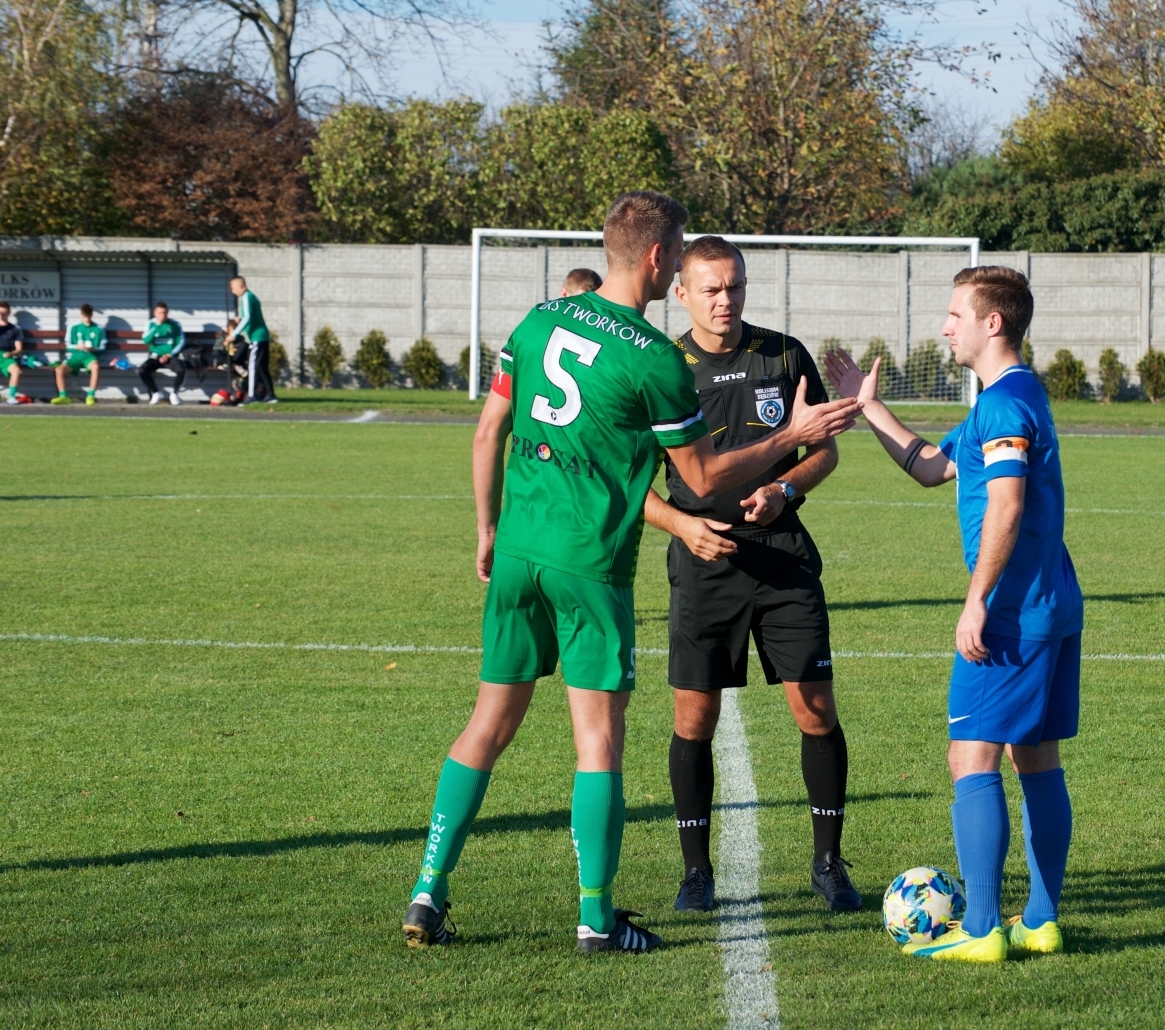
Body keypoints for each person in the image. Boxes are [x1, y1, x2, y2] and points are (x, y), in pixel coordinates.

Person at [399, 191, 860, 954]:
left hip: (517, 548)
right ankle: (595, 916)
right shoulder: (652, 357)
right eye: (679, 258)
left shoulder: (539, 318)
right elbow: (706, 476)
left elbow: (489, 430)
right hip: (589, 565)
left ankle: (427, 890)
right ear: (656, 261)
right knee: (598, 742)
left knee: (486, 725)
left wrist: (486, 528)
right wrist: (798, 434)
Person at [823, 265, 1083, 964]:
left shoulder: (1003, 406)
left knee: (970, 757)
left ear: (991, 322)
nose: (945, 326)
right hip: (1052, 604)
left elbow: (1005, 503)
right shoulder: (1012, 396)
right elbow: (933, 468)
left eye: (954, 314)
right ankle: (1040, 920)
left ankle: (981, 930)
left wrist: (975, 602)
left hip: (1011, 613)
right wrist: (866, 407)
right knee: (1036, 759)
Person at [641, 236, 858, 915]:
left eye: (734, 286)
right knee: (693, 719)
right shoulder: (656, 367)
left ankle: (827, 863)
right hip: (702, 564)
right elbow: (622, 483)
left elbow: (822, 453)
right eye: (709, 288)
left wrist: (784, 491)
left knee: (814, 709)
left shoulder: (783, 354)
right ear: (680, 293)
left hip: (783, 556)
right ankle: (696, 873)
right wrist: (682, 525)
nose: (724, 299)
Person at [228, 276, 276, 404]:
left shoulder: (246, 297)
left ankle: (252, 395)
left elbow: (247, 317)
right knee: (262, 367)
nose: (232, 291)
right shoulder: (252, 297)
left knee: (253, 366)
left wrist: (235, 333)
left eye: (233, 288)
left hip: (257, 337)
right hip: (262, 335)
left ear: (241, 286)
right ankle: (270, 394)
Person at [51, 303, 105, 405]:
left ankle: (90, 396)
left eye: (89, 316)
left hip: (90, 357)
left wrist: (92, 348)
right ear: (81, 315)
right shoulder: (73, 327)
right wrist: (77, 346)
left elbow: (103, 347)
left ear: (92, 315)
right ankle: (63, 396)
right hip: (76, 356)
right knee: (59, 369)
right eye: (85, 316)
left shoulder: (99, 329)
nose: (87, 318)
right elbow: (68, 345)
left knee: (96, 367)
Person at [138, 303, 186, 405]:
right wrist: (156, 327)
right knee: (142, 370)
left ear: (167, 313)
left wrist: (169, 354)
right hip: (155, 356)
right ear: (155, 313)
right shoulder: (150, 324)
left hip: (170, 356)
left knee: (181, 370)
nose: (162, 315)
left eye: (164, 313)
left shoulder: (175, 324)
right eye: (159, 313)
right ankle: (156, 392)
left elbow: (181, 342)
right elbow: (146, 340)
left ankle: (174, 394)